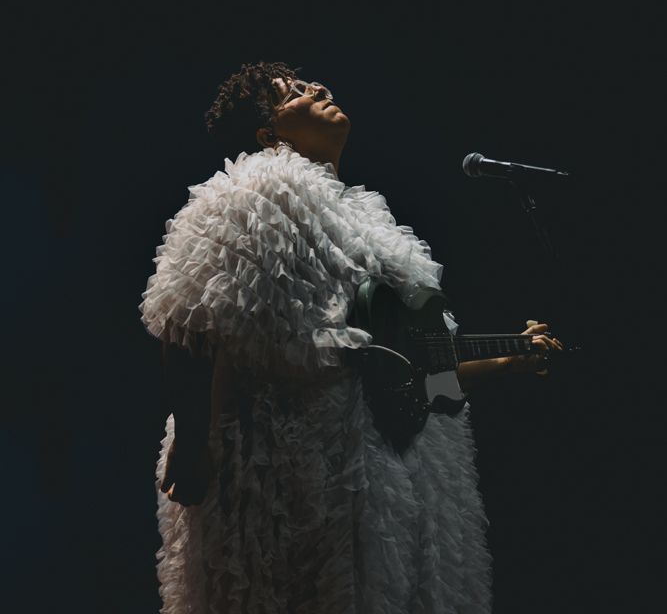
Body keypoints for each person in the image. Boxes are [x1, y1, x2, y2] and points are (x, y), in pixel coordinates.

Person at [140, 61, 562, 614]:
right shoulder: (254, 190)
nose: (316, 86)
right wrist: (194, 443)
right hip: (291, 479)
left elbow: (420, 367)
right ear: (268, 134)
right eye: (290, 92)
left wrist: (513, 360)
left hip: (382, 481)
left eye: (307, 81)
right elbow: (187, 315)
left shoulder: (371, 223)